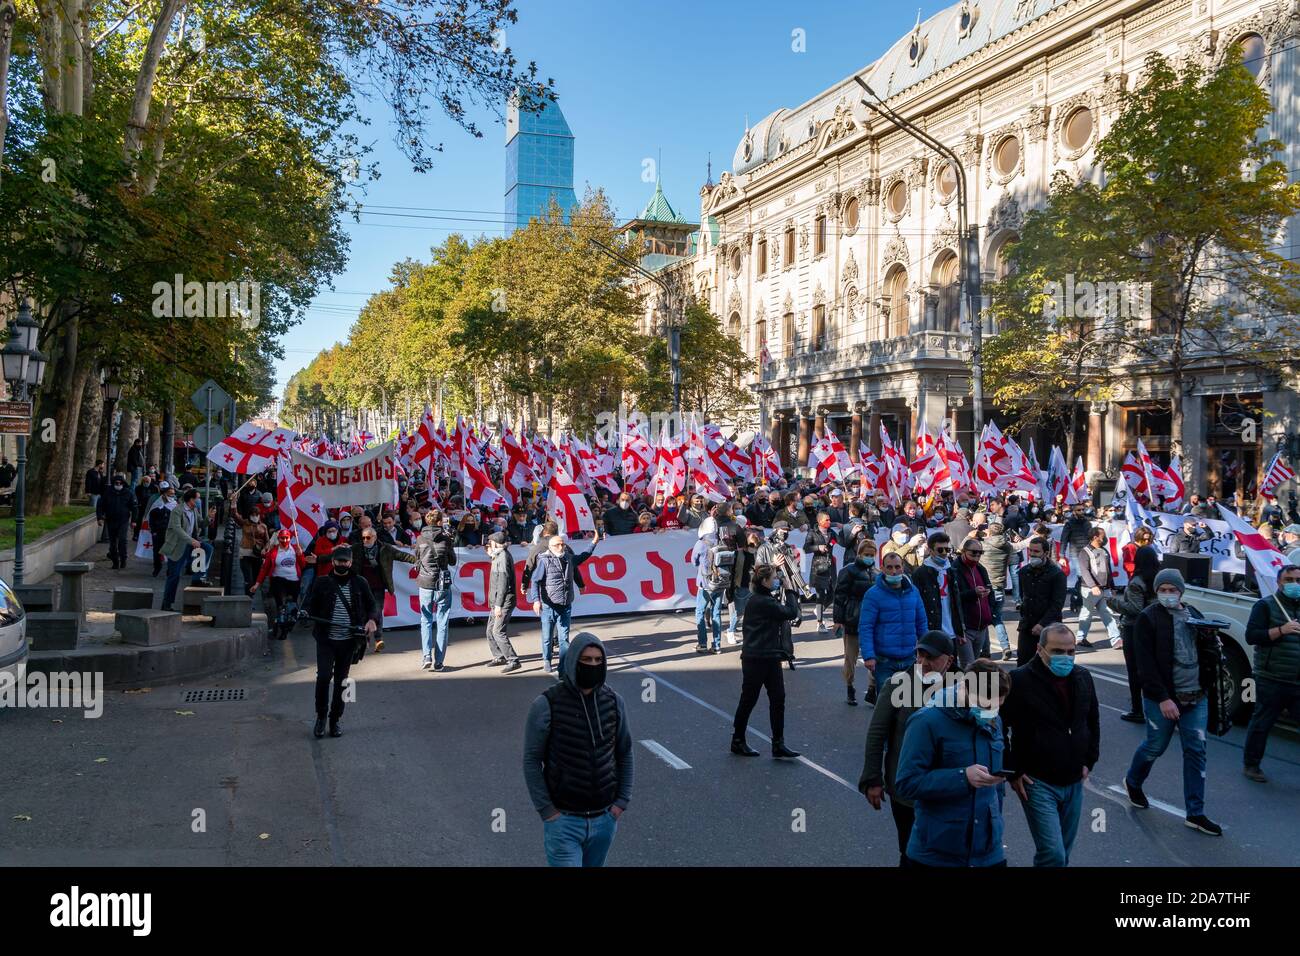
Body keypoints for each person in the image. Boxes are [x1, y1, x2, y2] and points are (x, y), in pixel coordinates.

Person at [1124, 568, 1222, 836]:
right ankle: (1133, 781)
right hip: (1163, 700)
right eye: (1163, 590)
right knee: (1155, 746)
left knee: (1196, 752)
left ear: (1181, 591)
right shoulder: (1149, 618)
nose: (1168, 594)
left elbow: (1208, 654)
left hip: (1195, 697)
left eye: (1172, 589)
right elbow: (1144, 665)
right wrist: (1164, 698)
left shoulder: (1195, 616)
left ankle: (1196, 813)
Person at [523, 633, 633, 867]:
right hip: (564, 822)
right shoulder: (546, 704)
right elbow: (532, 760)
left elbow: (624, 752)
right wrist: (548, 812)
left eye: (597, 660)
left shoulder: (614, 701)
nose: (592, 665)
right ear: (573, 661)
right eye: (586, 660)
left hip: (604, 819)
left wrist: (620, 802)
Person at [894, 658, 1011, 867]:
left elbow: (997, 790)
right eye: (985, 705)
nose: (991, 713)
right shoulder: (927, 721)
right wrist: (962, 777)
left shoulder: (994, 719)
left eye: (997, 706)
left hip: (988, 853)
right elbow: (907, 783)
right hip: (937, 854)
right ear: (964, 687)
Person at [1000, 623, 1099, 867]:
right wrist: (1012, 770)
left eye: (1070, 652)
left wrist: (1089, 761)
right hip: (1037, 782)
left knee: (1062, 855)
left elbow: (1092, 722)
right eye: (1057, 651)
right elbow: (998, 726)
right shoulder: (1019, 680)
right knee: (1052, 853)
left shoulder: (1083, 678)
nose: (1065, 658)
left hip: (1073, 780)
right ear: (1040, 650)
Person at [860, 630, 954, 864]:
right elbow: (876, 733)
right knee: (911, 852)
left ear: (949, 661)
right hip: (907, 791)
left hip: (948, 788)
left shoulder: (961, 687)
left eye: (931, 657)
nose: (923, 663)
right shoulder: (897, 685)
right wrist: (872, 779)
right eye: (920, 656)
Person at [304, 545, 377, 739]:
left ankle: (335, 719)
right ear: (333, 562)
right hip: (326, 639)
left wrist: (371, 620)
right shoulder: (321, 583)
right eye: (339, 561)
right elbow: (310, 605)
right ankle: (321, 717)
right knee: (323, 677)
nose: (343, 564)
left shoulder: (360, 582)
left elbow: (372, 605)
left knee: (343, 681)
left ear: (351, 562)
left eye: (346, 561)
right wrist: (305, 613)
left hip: (349, 641)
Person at [730, 563, 802, 759]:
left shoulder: (763, 599)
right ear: (764, 581)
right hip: (757, 658)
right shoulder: (762, 601)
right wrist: (789, 589)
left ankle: (778, 743)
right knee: (749, 700)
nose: (776, 580)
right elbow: (790, 612)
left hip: (769, 656)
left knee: (778, 699)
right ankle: (737, 740)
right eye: (774, 578)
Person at [1241, 564, 1300, 782]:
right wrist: (1281, 630)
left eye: (1298, 580)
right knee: (1262, 723)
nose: (1295, 585)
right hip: (1271, 676)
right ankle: (1251, 765)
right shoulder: (1265, 606)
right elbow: (1252, 636)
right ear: (1279, 582)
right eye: (1289, 580)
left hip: (1297, 678)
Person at [859, 551, 929, 697]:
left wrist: (925, 652)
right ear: (882, 569)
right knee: (887, 708)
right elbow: (866, 627)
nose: (894, 571)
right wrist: (868, 656)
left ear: (903, 567)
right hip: (884, 661)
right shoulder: (873, 594)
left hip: (910, 658)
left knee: (911, 704)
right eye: (889, 567)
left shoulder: (913, 592)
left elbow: (921, 624)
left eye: (897, 567)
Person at [531, 532, 601, 675]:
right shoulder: (544, 561)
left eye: (562, 544)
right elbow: (535, 581)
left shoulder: (569, 558)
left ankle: (563, 667)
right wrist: (536, 600)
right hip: (549, 605)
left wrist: (594, 543)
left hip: (566, 604)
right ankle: (547, 660)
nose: (561, 546)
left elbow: (583, 556)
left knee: (564, 638)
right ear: (551, 547)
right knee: (547, 636)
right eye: (558, 544)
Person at [1107, 544, 1160, 722]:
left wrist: (1113, 603)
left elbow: (1135, 608)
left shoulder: (1138, 581)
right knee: (1151, 668)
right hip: (1154, 626)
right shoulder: (1158, 579)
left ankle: (1137, 709)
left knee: (1134, 670)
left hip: (1134, 628)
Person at [353, 525, 414, 653]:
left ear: (375, 537)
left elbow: (402, 556)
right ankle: (365, 639)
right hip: (362, 586)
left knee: (376, 611)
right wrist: (319, 558)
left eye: (368, 537)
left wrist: (419, 560)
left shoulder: (385, 548)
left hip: (378, 586)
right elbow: (340, 557)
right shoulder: (356, 548)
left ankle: (378, 639)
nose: (365, 540)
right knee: (362, 612)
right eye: (363, 538)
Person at [833, 537, 877, 706]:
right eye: (867, 554)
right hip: (853, 618)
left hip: (872, 621)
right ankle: (850, 686)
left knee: (873, 656)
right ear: (859, 554)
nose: (870, 557)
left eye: (872, 554)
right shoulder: (848, 571)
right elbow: (839, 596)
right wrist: (838, 620)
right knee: (850, 657)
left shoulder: (877, 573)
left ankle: (872, 688)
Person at [414, 508, 457, 672]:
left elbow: (417, 559)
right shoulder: (445, 539)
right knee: (442, 620)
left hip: (425, 582)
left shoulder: (419, 539)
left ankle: (426, 656)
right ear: (439, 522)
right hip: (441, 583)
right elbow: (452, 561)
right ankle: (439, 661)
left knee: (425, 619)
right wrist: (450, 544)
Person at [1014, 537, 1067, 666]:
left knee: (1048, 664)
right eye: (1030, 551)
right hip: (1027, 626)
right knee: (1023, 663)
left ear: (1046, 553)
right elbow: (1023, 597)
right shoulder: (1023, 572)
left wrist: (1042, 624)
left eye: (1036, 551)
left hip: (1049, 627)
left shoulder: (1057, 574)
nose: (1032, 554)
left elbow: (1057, 605)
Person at [912, 532, 967, 651]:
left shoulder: (951, 570)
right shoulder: (920, 573)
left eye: (947, 550)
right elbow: (916, 605)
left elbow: (956, 604)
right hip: (930, 632)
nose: (944, 554)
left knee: (950, 669)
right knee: (924, 667)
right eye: (940, 550)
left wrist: (959, 630)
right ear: (930, 550)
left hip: (951, 633)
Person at [160, 489, 212, 611]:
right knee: (174, 575)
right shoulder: (177, 511)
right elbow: (178, 529)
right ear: (191, 499)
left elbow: (200, 523)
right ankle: (166, 603)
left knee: (208, 548)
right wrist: (192, 541)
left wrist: (208, 518)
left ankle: (198, 578)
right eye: (197, 498)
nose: (199, 501)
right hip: (178, 546)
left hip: (190, 542)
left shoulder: (194, 510)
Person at [250, 528, 306, 639]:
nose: (284, 540)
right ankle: (281, 627)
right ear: (278, 539)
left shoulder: (295, 550)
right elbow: (264, 569)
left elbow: (303, 565)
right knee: (281, 605)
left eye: (287, 538)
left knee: (292, 605)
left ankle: (290, 622)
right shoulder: (273, 552)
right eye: (282, 538)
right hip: (278, 580)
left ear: (290, 538)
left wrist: (300, 555)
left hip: (294, 581)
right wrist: (257, 584)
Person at [1076, 526, 1120, 648]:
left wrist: (1112, 586)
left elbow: (1107, 570)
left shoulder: (1104, 551)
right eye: (1103, 536)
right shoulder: (1085, 552)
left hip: (1104, 589)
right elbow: (1085, 571)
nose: (1105, 538)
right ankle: (1080, 638)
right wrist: (1093, 586)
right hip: (1090, 589)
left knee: (1107, 614)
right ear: (1095, 537)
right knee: (1087, 614)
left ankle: (1116, 640)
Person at [484, 531, 522, 673]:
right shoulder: (499, 556)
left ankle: (513, 659)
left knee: (497, 631)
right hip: (497, 601)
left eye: (490, 543)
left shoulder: (503, 557)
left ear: (495, 543)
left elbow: (503, 584)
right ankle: (499, 656)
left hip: (503, 601)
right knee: (490, 631)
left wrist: (498, 605)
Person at [953, 534, 995, 661]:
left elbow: (990, 590)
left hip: (981, 627)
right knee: (969, 667)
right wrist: (973, 593)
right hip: (966, 628)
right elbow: (954, 598)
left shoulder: (980, 568)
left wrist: (988, 594)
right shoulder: (954, 569)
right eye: (973, 553)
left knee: (974, 667)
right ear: (964, 552)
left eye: (980, 553)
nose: (977, 556)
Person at [692, 521, 727, 654]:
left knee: (700, 612)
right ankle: (717, 645)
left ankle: (702, 644)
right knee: (716, 613)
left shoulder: (700, 543)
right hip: (720, 582)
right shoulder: (722, 541)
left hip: (705, 583)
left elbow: (694, 562)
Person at [95, 473, 137, 570]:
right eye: (116, 483)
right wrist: (100, 518)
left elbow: (134, 508)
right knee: (113, 542)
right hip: (111, 520)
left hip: (123, 520)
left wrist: (134, 520)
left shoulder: (128, 493)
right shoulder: (108, 493)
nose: (118, 485)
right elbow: (100, 505)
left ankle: (123, 559)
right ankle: (115, 561)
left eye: (120, 483)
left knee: (122, 540)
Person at [805, 512, 838, 631]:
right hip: (818, 566)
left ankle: (820, 609)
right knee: (820, 594)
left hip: (830, 566)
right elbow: (806, 548)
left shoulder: (831, 532)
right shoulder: (812, 533)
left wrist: (831, 544)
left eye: (829, 520)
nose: (829, 522)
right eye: (826, 520)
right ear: (819, 521)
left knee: (833, 592)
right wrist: (818, 547)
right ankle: (820, 623)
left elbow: (837, 541)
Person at [236, 509, 269, 596]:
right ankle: (248, 597)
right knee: (248, 579)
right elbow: (235, 516)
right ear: (250, 515)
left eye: (257, 514)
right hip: (245, 554)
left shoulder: (263, 526)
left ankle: (251, 595)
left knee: (255, 579)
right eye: (253, 515)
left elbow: (267, 542)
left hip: (257, 555)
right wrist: (233, 504)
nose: (255, 517)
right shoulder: (245, 523)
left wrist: (264, 549)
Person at [148, 481, 176, 577]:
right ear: (164, 494)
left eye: (173, 494)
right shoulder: (156, 504)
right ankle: (157, 567)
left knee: (171, 552)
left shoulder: (175, 505)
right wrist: (154, 531)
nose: (171, 496)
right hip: (158, 532)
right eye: (170, 494)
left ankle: (170, 569)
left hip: (170, 532)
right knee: (157, 551)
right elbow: (151, 518)